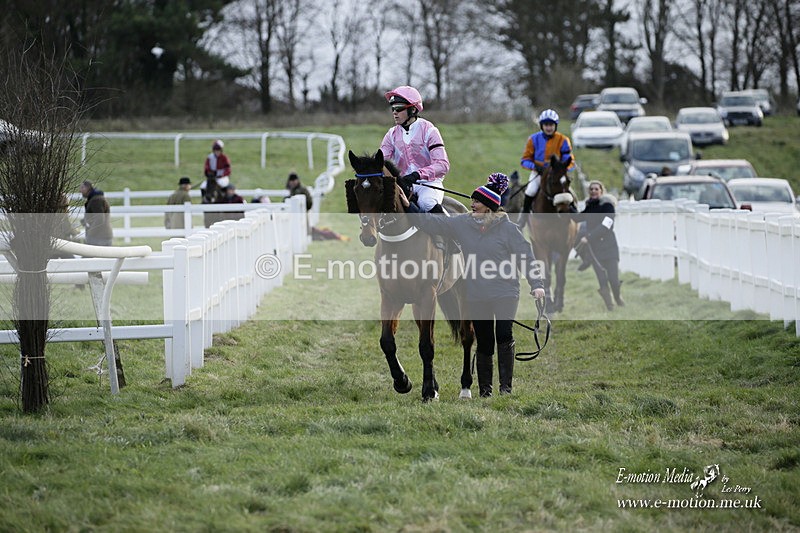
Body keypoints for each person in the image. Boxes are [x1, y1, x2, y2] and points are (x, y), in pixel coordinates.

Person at [407, 173, 546, 397]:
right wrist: (407, 206)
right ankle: (485, 391)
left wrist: (536, 284)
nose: (472, 204)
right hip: (476, 294)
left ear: (489, 206)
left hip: (505, 292)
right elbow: (431, 223)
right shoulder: (462, 223)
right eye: (472, 200)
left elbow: (526, 257)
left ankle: (506, 389)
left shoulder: (508, 229)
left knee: (503, 334)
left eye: (477, 201)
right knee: (484, 340)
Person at [379, 85, 449, 214]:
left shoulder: (429, 130)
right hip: (403, 184)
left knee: (426, 203)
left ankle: (450, 231)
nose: (394, 112)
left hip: (428, 185)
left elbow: (442, 165)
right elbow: (380, 160)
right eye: (393, 109)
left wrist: (417, 175)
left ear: (412, 109)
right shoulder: (391, 134)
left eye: (399, 109)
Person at [573, 180, 624, 310]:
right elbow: (577, 218)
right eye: (591, 189)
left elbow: (606, 226)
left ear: (601, 191)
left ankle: (617, 298)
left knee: (613, 279)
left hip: (609, 248)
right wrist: (567, 206)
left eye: (596, 189)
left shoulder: (608, 206)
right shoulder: (590, 207)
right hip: (595, 250)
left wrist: (588, 237)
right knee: (602, 280)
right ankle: (610, 306)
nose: (593, 191)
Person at [518, 109, 576, 220]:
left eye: (551, 125)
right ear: (541, 126)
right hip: (538, 173)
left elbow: (570, 161)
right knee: (530, 190)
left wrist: (562, 169)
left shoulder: (563, 140)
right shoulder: (533, 139)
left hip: (557, 174)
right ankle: (524, 218)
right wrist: (535, 166)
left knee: (570, 193)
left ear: (555, 126)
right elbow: (524, 160)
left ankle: (575, 214)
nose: (549, 128)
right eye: (546, 125)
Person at [80, 180, 113, 246]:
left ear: (88, 188)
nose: (80, 190)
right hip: (100, 236)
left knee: (88, 255)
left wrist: (90, 234)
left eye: (82, 188)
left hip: (99, 238)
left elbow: (99, 219)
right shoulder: (95, 199)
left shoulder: (96, 200)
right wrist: (85, 220)